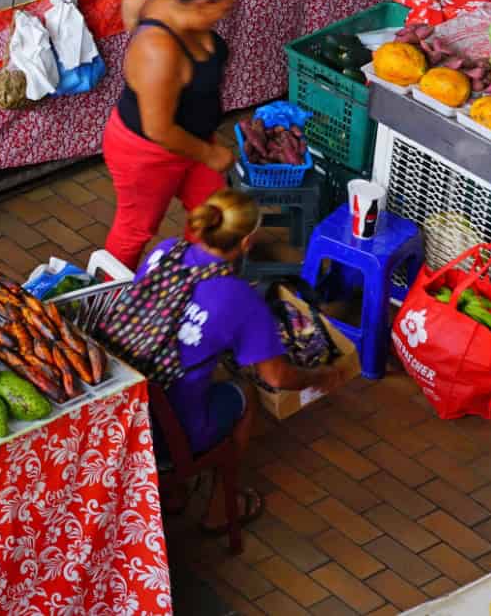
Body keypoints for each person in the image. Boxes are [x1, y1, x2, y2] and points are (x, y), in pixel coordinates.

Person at [135, 187, 339, 531]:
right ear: (246, 243)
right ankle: (220, 508)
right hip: (169, 432)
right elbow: (276, 378)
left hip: (130, 411)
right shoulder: (240, 298)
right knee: (245, 393)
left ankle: (173, 495)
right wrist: (320, 376)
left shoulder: (164, 252)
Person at [102, 0, 238, 269]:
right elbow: (158, 129)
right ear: (203, 4)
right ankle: (107, 300)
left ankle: (194, 279)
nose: (227, 14)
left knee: (215, 215)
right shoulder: (159, 50)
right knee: (136, 228)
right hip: (146, 152)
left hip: (192, 142)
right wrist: (210, 155)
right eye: (225, 7)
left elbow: (129, 2)